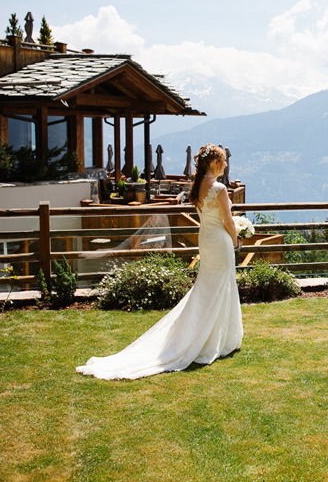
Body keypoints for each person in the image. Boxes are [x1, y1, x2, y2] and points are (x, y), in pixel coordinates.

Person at [76, 144, 243, 380]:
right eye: (223, 161)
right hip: (219, 242)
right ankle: (215, 338)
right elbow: (227, 222)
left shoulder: (198, 188)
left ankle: (207, 334)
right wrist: (237, 240)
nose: (225, 165)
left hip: (205, 240)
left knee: (207, 287)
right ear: (215, 163)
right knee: (221, 286)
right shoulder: (219, 188)